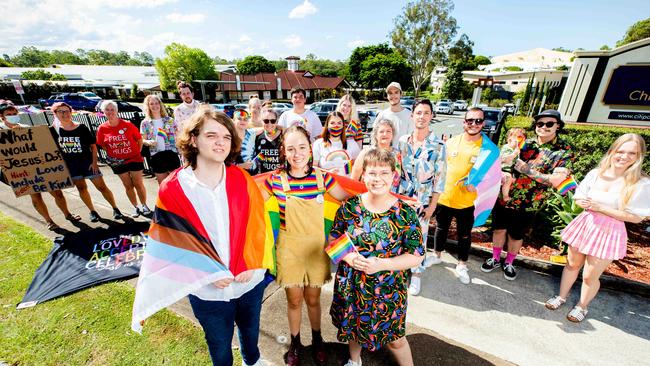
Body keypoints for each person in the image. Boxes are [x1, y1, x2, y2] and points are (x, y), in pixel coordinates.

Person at [132, 106, 269, 366]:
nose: (220, 142)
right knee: (219, 347)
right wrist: (205, 272)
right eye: (211, 135)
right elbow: (168, 244)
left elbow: (258, 225)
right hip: (208, 292)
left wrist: (251, 262)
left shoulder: (241, 179)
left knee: (251, 337)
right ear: (193, 139)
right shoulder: (173, 188)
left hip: (248, 281)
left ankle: (252, 362)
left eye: (226, 137)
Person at [260, 125, 350, 366]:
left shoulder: (323, 178)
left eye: (301, 147)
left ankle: (318, 340)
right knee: (294, 300)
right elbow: (250, 202)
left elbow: (349, 201)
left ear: (310, 149)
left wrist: (381, 200)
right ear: (284, 151)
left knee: (313, 299)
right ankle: (296, 343)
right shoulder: (275, 180)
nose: (296, 153)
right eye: (290, 148)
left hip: (315, 250)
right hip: (288, 250)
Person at [329, 148, 424, 366]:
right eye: (372, 173)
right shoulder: (349, 207)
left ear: (393, 176)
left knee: (396, 340)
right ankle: (355, 361)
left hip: (388, 290)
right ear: (363, 175)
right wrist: (350, 258)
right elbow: (333, 239)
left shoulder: (404, 214)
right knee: (354, 330)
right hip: (354, 286)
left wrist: (383, 264)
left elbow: (417, 255)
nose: (377, 179)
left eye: (383, 173)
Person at [545, 134, 649, 322]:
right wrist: (581, 201)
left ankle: (582, 307)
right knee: (572, 265)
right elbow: (578, 195)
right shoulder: (596, 173)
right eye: (621, 151)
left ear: (639, 156)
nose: (624, 156)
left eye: (631, 153)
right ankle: (561, 297)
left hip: (609, 231)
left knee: (589, 275)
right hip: (586, 224)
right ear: (613, 151)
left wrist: (602, 208)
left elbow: (637, 217)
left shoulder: (641, 183)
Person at [482, 109, 574, 280]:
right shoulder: (525, 143)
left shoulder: (563, 151)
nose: (544, 127)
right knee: (499, 229)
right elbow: (503, 158)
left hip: (529, 202)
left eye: (549, 124)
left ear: (558, 126)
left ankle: (509, 262)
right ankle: (495, 258)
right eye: (540, 123)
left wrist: (527, 170)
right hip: (504, 198)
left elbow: (556, 180)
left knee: (516, 235)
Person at [430, 107, 500, 285]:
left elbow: (492, 177)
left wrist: (476, 186)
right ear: (464, 122)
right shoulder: (451, 142)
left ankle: (462, 264)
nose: (474, 124)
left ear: (483, 123)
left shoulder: (489, 150)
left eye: (478, 121)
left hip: (467, 202)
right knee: (440, 229)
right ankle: (436, 255)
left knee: (464, 235)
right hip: (445, 197)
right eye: (470, 120)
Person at [0, 103, 81, 230]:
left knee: (57, 193)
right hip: (21, 172)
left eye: (14, 114)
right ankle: (49, 221)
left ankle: (68, 214)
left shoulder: (27, 128)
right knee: (36, 196)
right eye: (8, 115)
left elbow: (42, 146)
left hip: (41, 167)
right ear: (2, 117)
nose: (12, 116)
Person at [397, 99, 446, 296]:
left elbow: (440, 179)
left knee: (419, 238)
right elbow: (397, 172)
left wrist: (432, 206)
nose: (422, 116)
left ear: (431, 116)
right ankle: (399, 270)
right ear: (412, 116)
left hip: (422, 200)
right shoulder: (403, 142)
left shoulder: (439, 145)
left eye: (426, 113)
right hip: (401, 198)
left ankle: (416, 274)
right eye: (418, 112)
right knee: (400, 236)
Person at [51, 102, 124, 221]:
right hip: (72, 166)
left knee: (101, 187)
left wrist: (94, 162)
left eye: (67, 111)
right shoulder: (54, 130)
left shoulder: (81, 127)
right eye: (61, 111)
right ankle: (92, 211)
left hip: (88, 163)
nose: (65, 114)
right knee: (82, 189)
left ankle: (115, 209)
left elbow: (93, 146)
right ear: (55, 114)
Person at [95, 100, 151, 218]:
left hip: (134, 159)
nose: (110, 112)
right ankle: (135, 207)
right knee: (128, 185)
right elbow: (102, 144)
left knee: (138, 183)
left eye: (112, 109)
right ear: (103, 111)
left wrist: (137, 152)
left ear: (117, 111)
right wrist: (114, 153)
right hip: (118, 162)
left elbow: (139, 139)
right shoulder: (102, 128)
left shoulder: (127, 124)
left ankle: (144, 205)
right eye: (107, 110)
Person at [350, 119, 401, 192]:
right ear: (376, 135)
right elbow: (353, 179)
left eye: (388, 131)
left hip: (391, 199)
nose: (385, 134)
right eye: (381, 131)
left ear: (392, 135)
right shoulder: (366, 153)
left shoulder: (397, 154)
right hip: (369, 198)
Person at [139, 95, 181, 184]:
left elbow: (178, 136)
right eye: (151, 104)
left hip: (171, 154)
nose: (155, 106)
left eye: (156, 103)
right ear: (148, 106)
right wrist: (148, 142)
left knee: (177, 183)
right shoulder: (145, 123)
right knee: (163, 185)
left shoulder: (170, 120)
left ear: (160, 104)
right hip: (156, 155)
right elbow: (143, 140)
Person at [312, 111, 360, 176]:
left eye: (339, 123)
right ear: (327, 125)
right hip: (327, 183)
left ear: (343, 125)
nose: (336, 126)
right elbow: (314, 167)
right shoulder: (318, 144)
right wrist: (327, 172)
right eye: (332, 123)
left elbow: (358, 166)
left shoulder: (352, 143)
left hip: (347, 184)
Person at [373, 82, 413, 147]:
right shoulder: (382, 115)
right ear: (387, 96)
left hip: (402, 155)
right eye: (390, 93)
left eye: (396, 92)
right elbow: (374, 137)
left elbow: (411, 139)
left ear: (401, 94)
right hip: (384, 154)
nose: (393, 96)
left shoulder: (409, 115)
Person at [251, 108, 282, 174]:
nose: (269, 124)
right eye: (266, 121)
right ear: (262, 121)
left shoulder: (284, 136)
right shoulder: (258, 137)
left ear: (277, 121)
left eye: (273, 121)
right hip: (265, 178)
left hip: (282, 178)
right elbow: (257, 157)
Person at [500, 128, 526, 201]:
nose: (519, 141)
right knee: (508, 178)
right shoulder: (506, 148)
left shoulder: (516, 150)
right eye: (518, 138)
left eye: (522, 139)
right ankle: (505, 196)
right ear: (509, 139)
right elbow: (504, 159)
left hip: (508, 171)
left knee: (511, 179)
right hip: (501, 169)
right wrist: (514, 154)